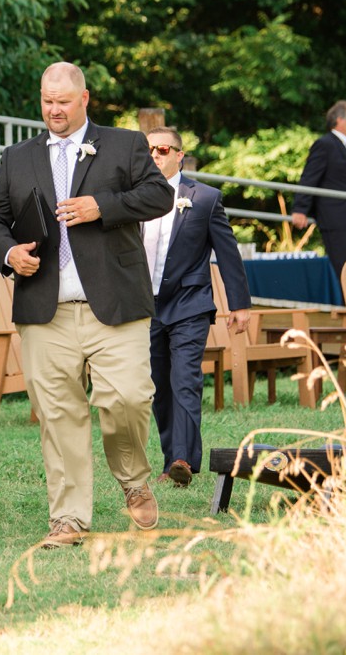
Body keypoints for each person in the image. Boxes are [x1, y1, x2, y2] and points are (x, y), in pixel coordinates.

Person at [0, 62, 173, 545]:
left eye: (63, 101)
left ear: (85, 99)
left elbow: (159, 195)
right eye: (46, 99)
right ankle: (68, 519)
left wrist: (101, 206)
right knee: (59, 415)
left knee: (127, 397)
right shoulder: (18, 157)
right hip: (45, 310)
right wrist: (8, 252)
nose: (53, 109)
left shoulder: (124, 145)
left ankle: (133, 480)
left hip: (116, 304)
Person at [141, 126, 251, 487]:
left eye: (162, 149)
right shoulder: (133, 197)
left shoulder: (203, 198)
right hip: (147, 306)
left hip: (190, 302)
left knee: (184, 380)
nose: (155, 155)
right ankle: (169, 457)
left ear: (179, 156)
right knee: (158, 385)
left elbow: (227, 250)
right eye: (150, 150)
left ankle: (183, 459)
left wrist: (239, 304)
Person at [290, 100, 346, 281]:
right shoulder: (325, 145)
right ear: (340, 120)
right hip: (337, 220)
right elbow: (310, 177)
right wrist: (300, 208)